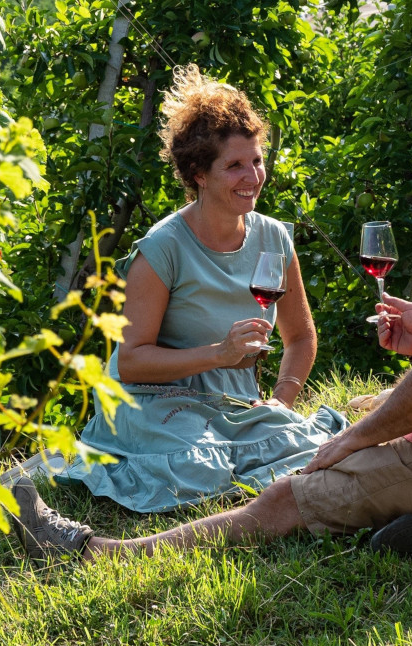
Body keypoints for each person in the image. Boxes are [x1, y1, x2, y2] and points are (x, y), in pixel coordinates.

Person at [13, 70, 412, 562]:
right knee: (342, 439)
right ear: (200, 175)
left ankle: (99, 554)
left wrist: (353, 438)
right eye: (236, 166)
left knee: (288, 492)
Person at [57, 64, 345, 513]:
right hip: (150, 400)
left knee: (305, 444)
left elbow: (301, 336)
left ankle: (246, 453)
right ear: (198, 175)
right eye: (234, 166)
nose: (253, 176)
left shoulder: (274, 239)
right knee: (199, 467)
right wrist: (219, 353)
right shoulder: (161, 248)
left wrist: (281, 401)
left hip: (228, 401)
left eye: (257, 160)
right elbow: (131, 361)